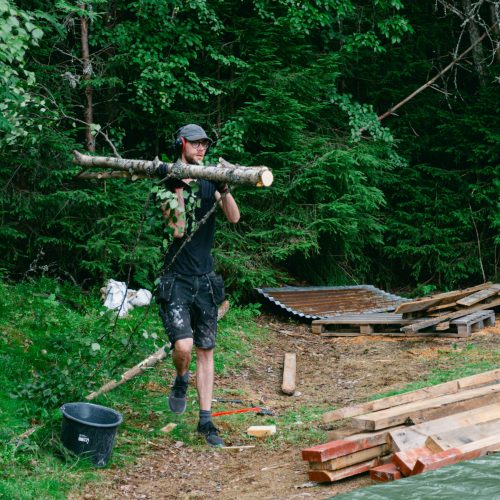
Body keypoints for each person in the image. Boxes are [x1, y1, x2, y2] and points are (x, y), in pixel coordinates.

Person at [156, 124, 240, 447]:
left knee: (206, 350)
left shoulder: (208, 181)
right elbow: (177, 229)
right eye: (195, 143)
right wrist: (178, 187)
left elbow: (233, 217)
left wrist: (224, 187)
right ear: (181, 144)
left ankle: (206, 423)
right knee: (184, 347)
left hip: (205, 280)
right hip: (176, 278)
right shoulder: (166, 181)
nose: (201, 148)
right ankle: (180, 378)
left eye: (204, 143)